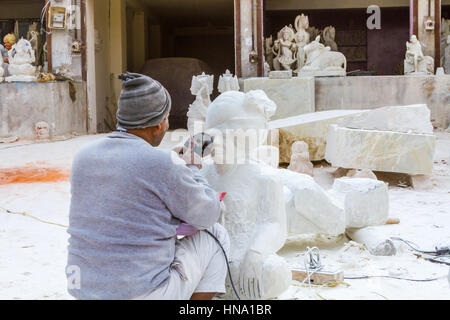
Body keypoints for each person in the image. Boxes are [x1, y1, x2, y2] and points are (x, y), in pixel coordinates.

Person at [66, 72, 230, 300]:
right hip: (140, 294)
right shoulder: (163, 164)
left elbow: (132, 185)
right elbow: (208, 214)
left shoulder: (83, 156)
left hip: (85, 289)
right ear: (159, 124)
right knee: (216, 234)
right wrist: (190, 168)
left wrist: (173, 168)